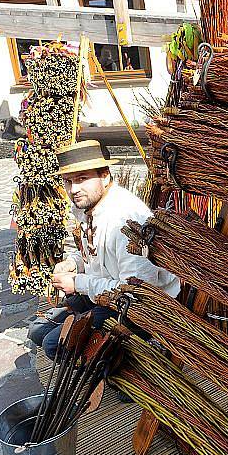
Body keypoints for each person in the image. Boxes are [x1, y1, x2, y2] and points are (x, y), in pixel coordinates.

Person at [28, 139, 179, 360]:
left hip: (138, 308)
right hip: (103, 291)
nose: (74, 189)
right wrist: (74, 263)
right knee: (37, 331)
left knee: (54, 345)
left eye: (82, 179)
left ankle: (125, 364)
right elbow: (92, 252)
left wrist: (77, 283)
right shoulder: (88, 205)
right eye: (68, 181)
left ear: (105, 176)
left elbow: (135, 293)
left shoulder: (127, 220)